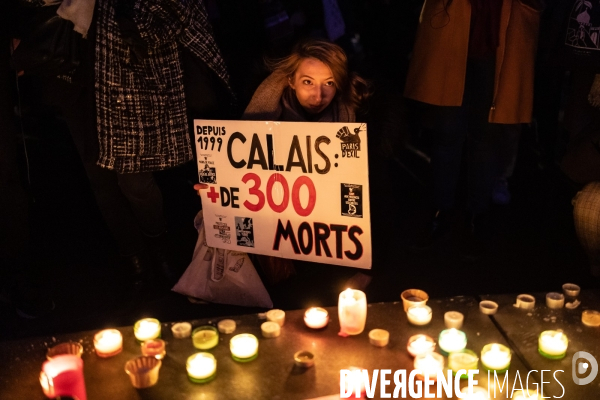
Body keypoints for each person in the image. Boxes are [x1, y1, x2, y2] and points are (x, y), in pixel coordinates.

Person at [17, 0, 232, 288]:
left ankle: (159, 248)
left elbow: (179, 12)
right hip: (72, 69)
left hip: (127, 71)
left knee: (135, 180)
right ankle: (135, 258)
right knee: (100, 179)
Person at [195, 38, 372, 289]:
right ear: (291, 80)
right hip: (272, 260)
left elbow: (375, 203)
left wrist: (368, 271)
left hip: (328, 259)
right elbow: (238, 177)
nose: (318, 95)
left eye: (329, 83)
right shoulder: (256, 117)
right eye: (308, 82)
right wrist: (217, 187)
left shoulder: (357, 127)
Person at [404, 0, 543, 247]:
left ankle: (477, 211)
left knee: (486, 132)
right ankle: (442, 208)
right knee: (448, 131)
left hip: (501, 31)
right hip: (453, 30)